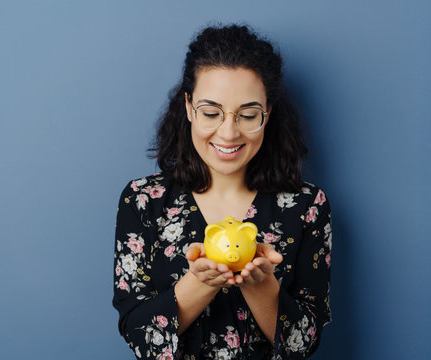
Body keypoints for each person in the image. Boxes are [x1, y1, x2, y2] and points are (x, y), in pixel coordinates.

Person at [112, 24, 332, 359]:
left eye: (247, 115)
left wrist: (261, 286)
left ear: (267, 113)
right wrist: (200, 282)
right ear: (189, 107)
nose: (228, 133)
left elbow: (304, 343)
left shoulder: (307, 206)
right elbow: (139, 337)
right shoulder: (144, 200)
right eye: (211, 113)